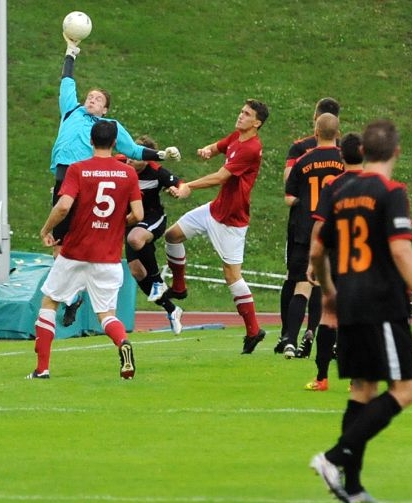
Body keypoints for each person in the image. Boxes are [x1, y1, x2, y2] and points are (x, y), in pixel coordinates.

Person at [308, 119, 412, 503]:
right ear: (396, 152)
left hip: (349, 300)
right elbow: (399, 249)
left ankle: (354, 484)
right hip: (382, 302)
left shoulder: (339, 189)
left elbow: (317, 249)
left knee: (363, 390)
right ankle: (331, 458)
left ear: (362, 152)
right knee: (406, 390)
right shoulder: (391, 191)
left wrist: (329, 290)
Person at [51, 32, 180, 326]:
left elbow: (133, 150)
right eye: (90, 96)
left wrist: (161, 155)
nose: (91, 99)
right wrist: (70, 53)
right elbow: (66, 83)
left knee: (84, 240)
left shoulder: (108, 127)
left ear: (105, 109)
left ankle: (95, 298)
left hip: (85, 181)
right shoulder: (71, 111)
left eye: (98, 99)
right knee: (59, 243)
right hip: (63, 178)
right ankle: (73, 297)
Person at [29, 119, 144, 379]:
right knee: (106, 314)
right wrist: (117, 222)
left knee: (50, 302)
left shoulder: (78, 169)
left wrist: (46, 230)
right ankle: (122, 343)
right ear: (114, 143)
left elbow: (63, 207)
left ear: (90, 140)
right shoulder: (128, 173)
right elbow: (138, 213)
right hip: (108, 257)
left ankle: (42, 368)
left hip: (75, 253)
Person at [164, 99, 270, 353]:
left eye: (246, 114)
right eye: (241, 111)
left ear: (257, 123)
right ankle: (179, 287)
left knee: (232, 275)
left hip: (232, 221)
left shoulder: (251, 148)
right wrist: (208, 150)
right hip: (215, 209)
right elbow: (220, 146)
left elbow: (221, 177)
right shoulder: (237, 136)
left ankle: (254, 331)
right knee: (172, 235)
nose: (240, 115)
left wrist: (188, 185)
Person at [276, 97, 342, 358]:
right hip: (337, 230)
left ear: (316, 129)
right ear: (337, 132)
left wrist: (304, 203)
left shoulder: (303, 158)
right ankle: (331, 342)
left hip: (305, 228)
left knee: (301, 283)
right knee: (335, 287)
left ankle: (289, 339)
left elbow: (288, 196)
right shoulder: (345, 159)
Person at [303, 131, 363, 391]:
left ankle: (322, 378)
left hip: (336, 258)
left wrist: (312, 261)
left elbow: (319, 225)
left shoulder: (332, 186)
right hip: (365, 261)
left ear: (341, 154)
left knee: (329, 315)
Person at [118, 136, 185, 334]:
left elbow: (180, 184)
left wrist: (177, 190)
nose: (130, 159)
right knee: (137, 271)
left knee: (135, 239)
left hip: (152, 217)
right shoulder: (119, 162)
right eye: (130, 153)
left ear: (147, 159)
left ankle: (157, 280)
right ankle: (172, 309)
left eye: (136, 156)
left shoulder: (156, 171)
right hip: (130, 220)